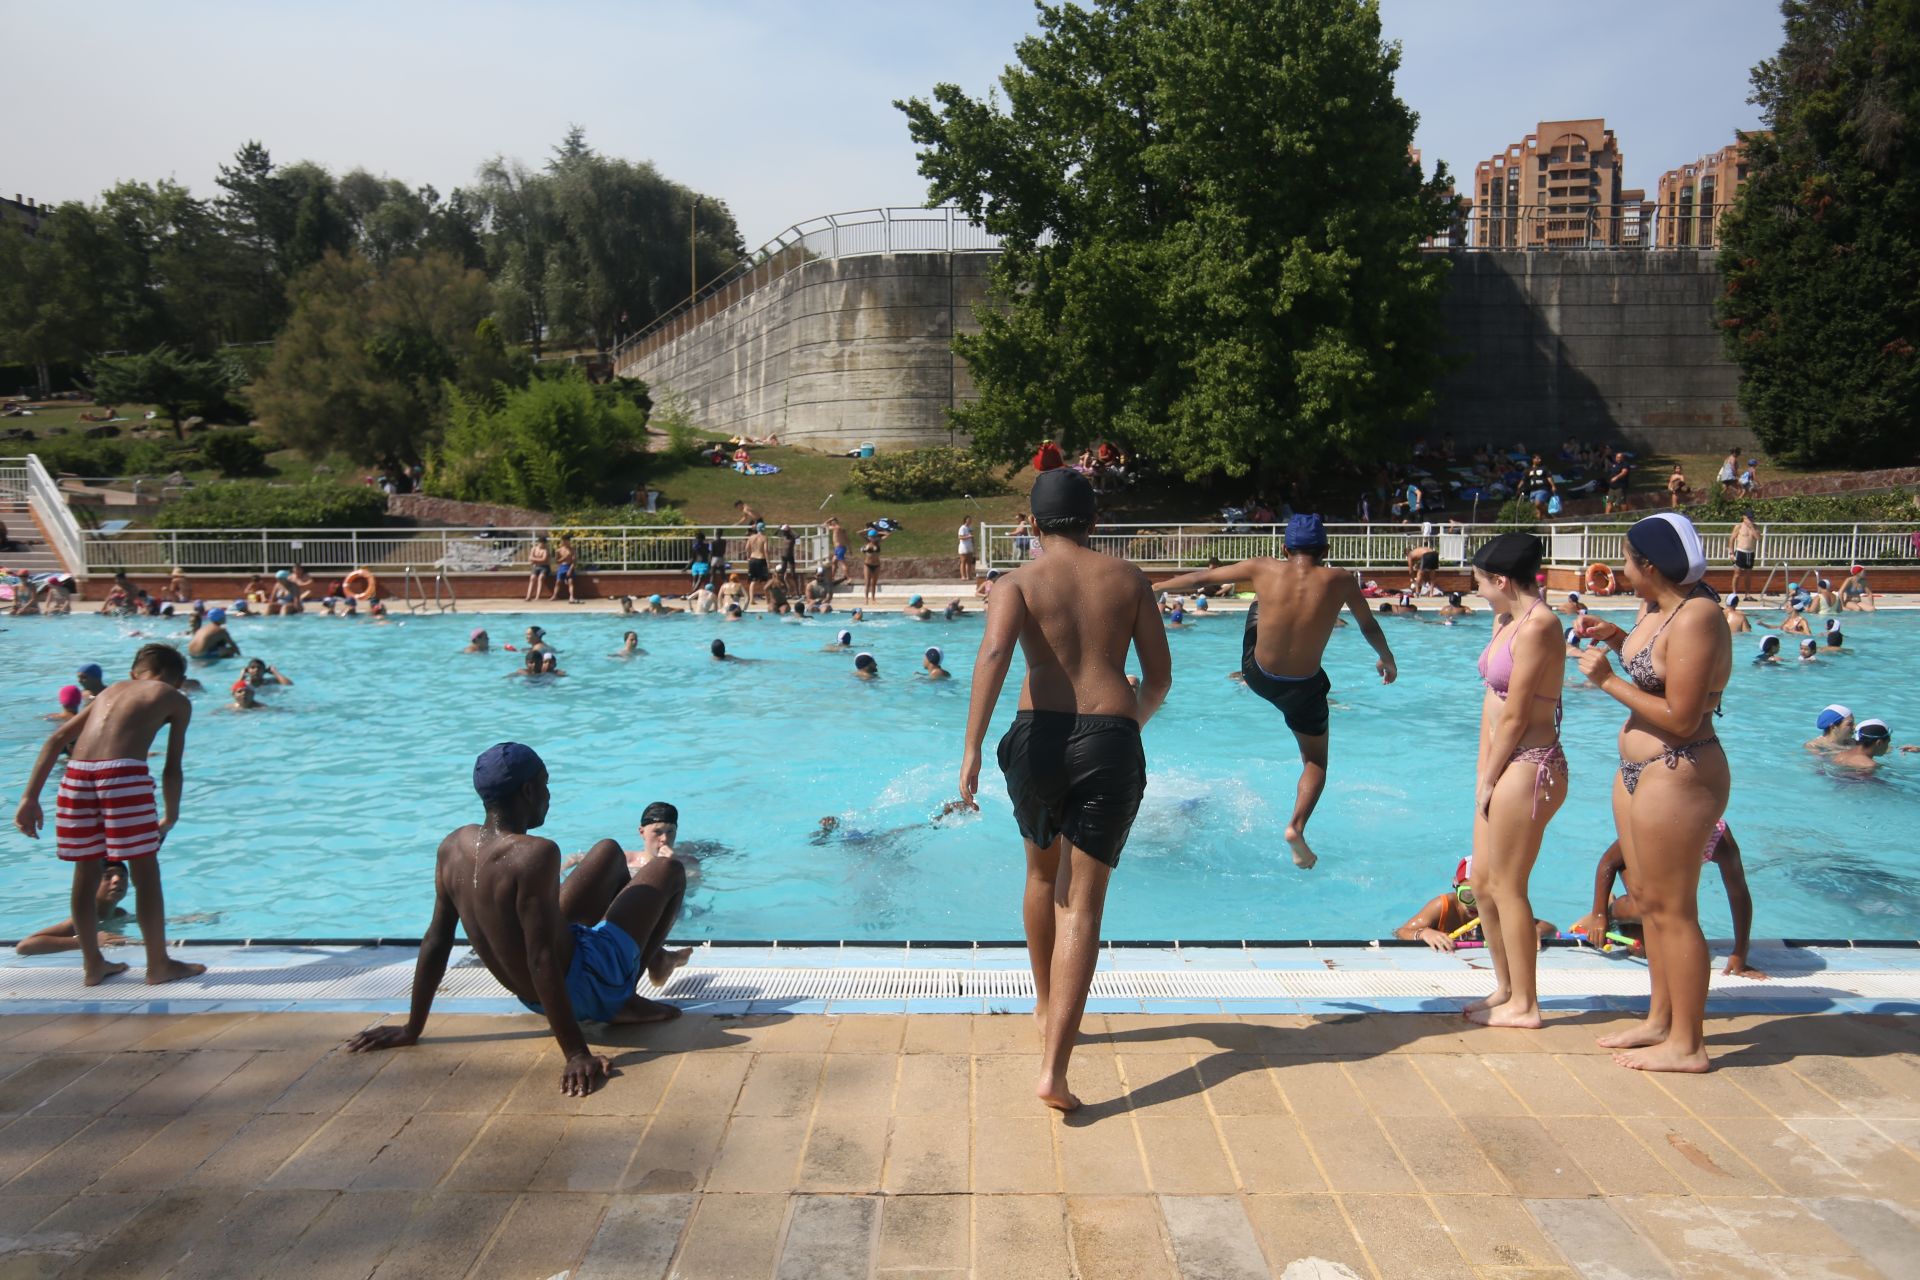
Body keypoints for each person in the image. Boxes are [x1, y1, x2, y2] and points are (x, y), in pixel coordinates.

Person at [958, 466, 1171, 1112]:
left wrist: (969, 749)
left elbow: (995, 657)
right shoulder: (1129, 580)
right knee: (1084, 904)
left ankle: (1046, 1004)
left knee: (1041, 875)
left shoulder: (1018, 582)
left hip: (1035, 738)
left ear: (1031, 525)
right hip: (1109, 734)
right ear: (1095, 522)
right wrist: (1124, 724)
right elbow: (1158, 677)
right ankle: (1054, 1071)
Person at [345, 744, 688, 1096]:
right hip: (585, 988)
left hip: (533, 996)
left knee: (608, 852)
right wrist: (575, 1053)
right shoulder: (535, 853)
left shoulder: (452, 846)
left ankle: (650, 964)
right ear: (528, 791)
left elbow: (437, 938)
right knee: (670, 870)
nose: (548, 795)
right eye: (545, 785)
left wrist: (412, 1027)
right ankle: (623, 998)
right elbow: (541, 956)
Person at [1572, 512, 1731, 1073]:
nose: (1619, 568)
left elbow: (1683, 718)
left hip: (1679, 768)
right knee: (1647, 903)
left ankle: (1689, 1044)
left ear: (1649, 565)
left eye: (1625, 558)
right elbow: (1656, 673)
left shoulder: (1699, 616)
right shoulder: (1659, 610)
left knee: (1675, 909)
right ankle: (1662, 1020)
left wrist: (1605, 680)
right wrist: (1615, 639)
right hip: (1641, 771)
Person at [1154, 514, 1397, 870]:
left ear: (1285, 548)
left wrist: (1154, 588)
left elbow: (1199, 578)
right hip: (1303, 688)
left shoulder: (1262, 567)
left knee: (1257, 606)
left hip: (1258, 674)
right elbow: (1368, 624)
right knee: (1315, 762)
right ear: (1325, 550)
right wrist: (1386, 660)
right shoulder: (1341, 579)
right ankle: (1296, 826)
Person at [11, 643, 204, 987]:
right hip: (123, 776)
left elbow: (56, 739)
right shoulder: (174, 699)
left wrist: (29, 798)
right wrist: (170, 817)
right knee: (145, 871)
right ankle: (158, 965)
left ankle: (93, 966)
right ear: (179, 680)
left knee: (85, 872)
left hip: (76, 775)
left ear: (134, 673)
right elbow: (172, 770)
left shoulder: (109, 691)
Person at [1460, 533, 1567, 1029]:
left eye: (1481, 582)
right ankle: (1505, 987)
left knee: (1508, 885)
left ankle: (1527, 1004)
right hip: (1501, 765)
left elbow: (1518, 714)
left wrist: (1489, 779)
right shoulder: (1508, 618)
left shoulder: (1540, 625)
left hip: (1528, 763)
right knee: (1481, 881)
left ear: (1502, 580)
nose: (1477, 591)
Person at [1576, 823, 1763, 978]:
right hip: (1637, 867)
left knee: (1644, 951)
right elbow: (1608, 861)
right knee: (1644, 908)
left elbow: (1738, 892)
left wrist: (1740, 953)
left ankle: (1627, 917)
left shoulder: (1718, 839)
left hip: (1666, 879)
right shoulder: (1659, 825)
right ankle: (1612, 911)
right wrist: (1599, 915)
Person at [1397, 857, 1555, 952]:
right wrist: (1424, 933)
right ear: (1456, 887)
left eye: (1484, 898)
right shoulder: (1444, 906)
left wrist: (1534, 930)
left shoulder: (1498, 911)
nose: (1475, 905)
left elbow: (1551, 928)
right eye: (1468, 895)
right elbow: (1402, 932)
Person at [14, 859, 135, 956]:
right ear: (92, 883)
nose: (117, 880)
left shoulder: (119, 914)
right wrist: (88, 941)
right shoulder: (82, 919)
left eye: (122, 876)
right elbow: (24, 946)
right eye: (107, 876)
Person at [1727, 513, 1759, 599]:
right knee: (1737, 573)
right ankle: (1734, 593)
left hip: (1750, 553)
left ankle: (1747, 594)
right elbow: (1732, 539)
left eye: (1751, 517)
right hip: (1740, 552)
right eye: (1749, 517)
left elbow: (1758, 538)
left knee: (1748, 574)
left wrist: (1751, 527)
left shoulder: (1755, 527)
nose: (1750, 519)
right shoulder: (1739, 526)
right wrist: (1731, 553)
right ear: (1744, 517)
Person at [744, 524, 771, 606]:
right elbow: (766, 550)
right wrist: (768, 562)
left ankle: (751, 599)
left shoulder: (751, 537)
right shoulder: (764, 538)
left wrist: (748, 557)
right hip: (761, 559)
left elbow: (746, 548)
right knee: (764, 581)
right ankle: (767, 600)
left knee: (753, 581)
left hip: (752, 559)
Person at [553, 534, 578, 603]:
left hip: (569, 567)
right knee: (558, 582)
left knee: (570, 581)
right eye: (563, 541)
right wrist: (564, 558)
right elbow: (556, 562)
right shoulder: (559, 550)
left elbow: (574, 562)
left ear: (568, 541)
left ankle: (571, 597)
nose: (564, 542)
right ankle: (554, 595)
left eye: (566, 541)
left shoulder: (572, 550)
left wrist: (570, 570)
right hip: (562, 567)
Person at [526, 535, 553, 601]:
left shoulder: (545, 550)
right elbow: (530, 558)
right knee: (532, 578)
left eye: (544, 543)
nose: (542, 544)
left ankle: (537, 596)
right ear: (539, 542)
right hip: (536, 567)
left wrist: (534, 560)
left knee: (540, 578)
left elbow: (544, 559)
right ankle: (528, 596)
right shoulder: (534, 549)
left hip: (544, 567)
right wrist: (537, 560)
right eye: (541, 543)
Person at [777, 524, 800, 596]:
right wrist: (779, 528)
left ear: (787, 531)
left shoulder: (792, 537)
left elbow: (798, 535)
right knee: (781, 575)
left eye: (784, 531)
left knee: (793, 574)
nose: (783, 533)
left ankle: (797, 592)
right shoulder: (784, 536)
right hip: (784, 557)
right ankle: (785, 591)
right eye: (783, 531)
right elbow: (776, 534)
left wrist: (790, 529)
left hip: (790, 557)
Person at [861, 530, 883, 605]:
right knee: (867, 583)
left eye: (874, 537)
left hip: (877, 565)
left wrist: (878, 532)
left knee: (874, 583)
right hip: (867, 565)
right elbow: (859, 533)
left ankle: (873, 599)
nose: (872, 538)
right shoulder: (867, 543)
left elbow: (887, 534)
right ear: (868, 537)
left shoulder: (878, 543)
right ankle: (866, 599)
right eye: (871, 537)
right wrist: (867, 529)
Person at [958, 516, 977, 582]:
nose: (969, 521)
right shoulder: (962, 528)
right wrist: (968, 536)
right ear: (965, 520)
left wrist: (973, 543)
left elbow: (972, 536)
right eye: (968, 520)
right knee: (963, 561)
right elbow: (960, 537)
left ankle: (969, 576)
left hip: (969, 546)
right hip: (964, 547)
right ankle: (963, 576)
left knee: (969, 562)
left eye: (970, 520)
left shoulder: (970, 528)